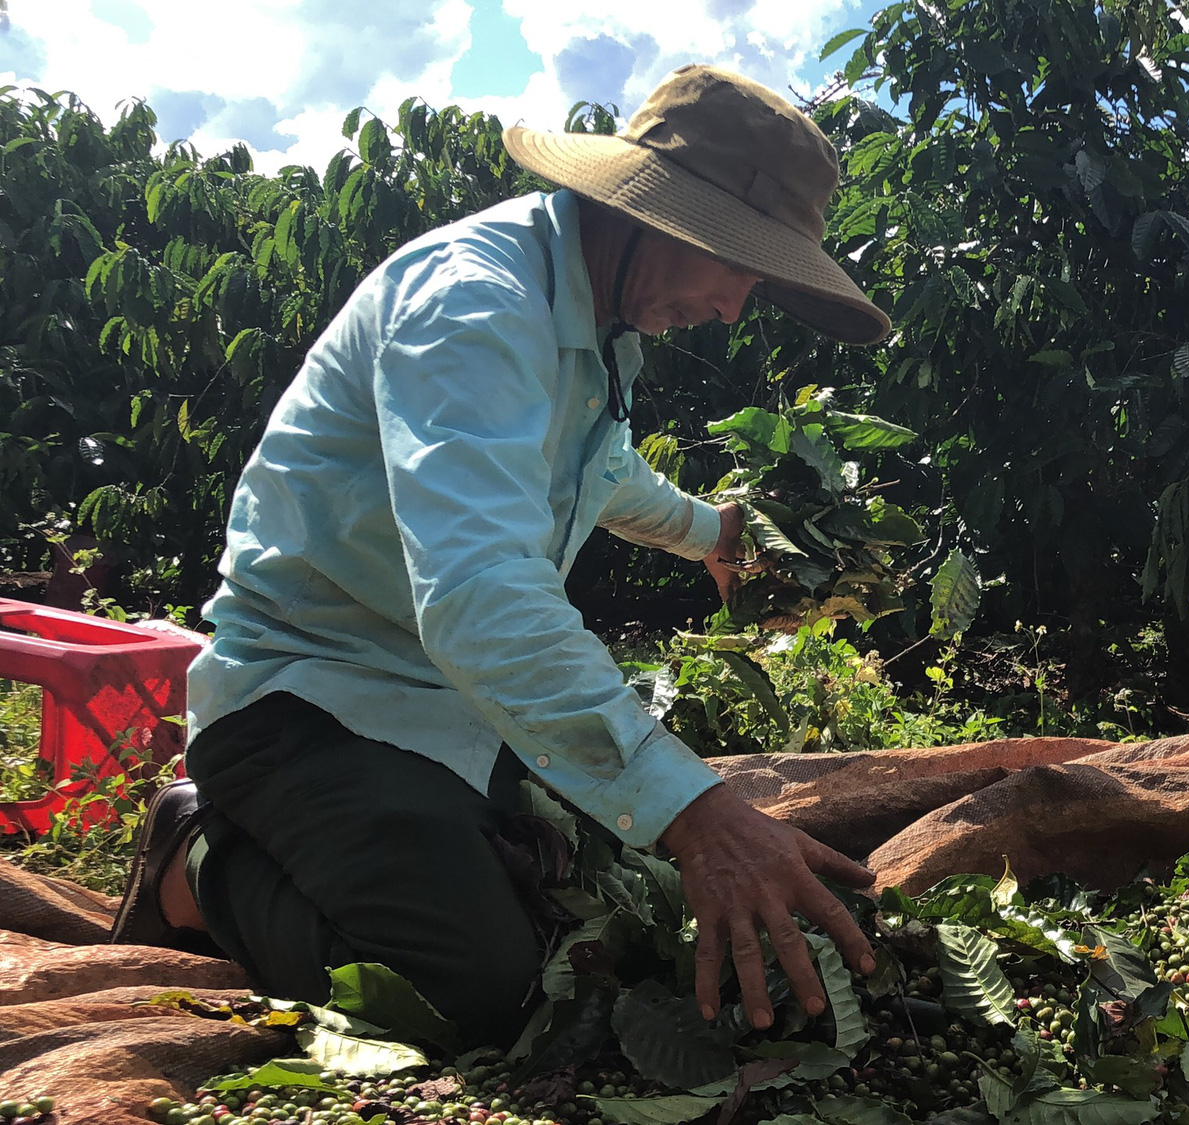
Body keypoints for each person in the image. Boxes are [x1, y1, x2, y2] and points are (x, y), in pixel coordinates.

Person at [106, 65, 893, 1043]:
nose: (734, 306)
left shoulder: (601, 319)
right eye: (736, 266)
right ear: (661, 214)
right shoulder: (473, 308)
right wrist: (697, 813)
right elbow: (480, 593)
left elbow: (598, 469)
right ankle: (196, 862)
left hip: (443, 697)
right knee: (463, 982)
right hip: (304, 697)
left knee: (577, 901)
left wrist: (711, 536)